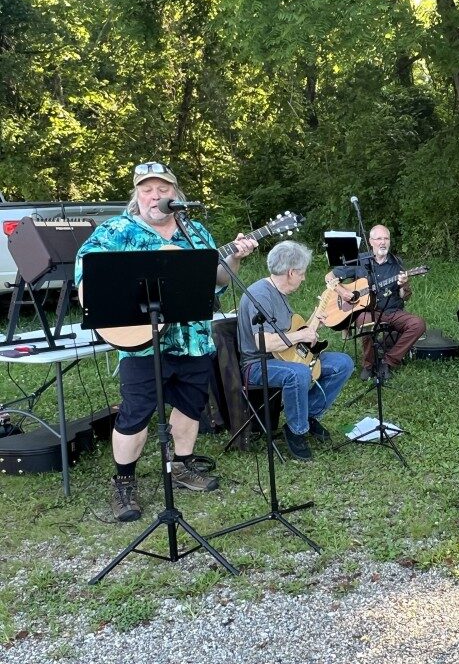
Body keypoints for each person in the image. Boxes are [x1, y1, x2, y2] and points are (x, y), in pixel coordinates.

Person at [75, 161, 259, 522]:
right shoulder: (116, 232)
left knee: (191, 406)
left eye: (162, 189)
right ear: (137, 195)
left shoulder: (194, 231)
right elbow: (87, 275)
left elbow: (217, 278)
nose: (155, 196)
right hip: (142, 343)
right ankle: (124, 483)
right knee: (136, 413)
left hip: (192, 340)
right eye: (147, 190)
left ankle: (183, 464)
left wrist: (235, 257)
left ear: (175, 194)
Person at [237, 240, 355, 462]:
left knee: (343, 363)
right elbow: (265, 344)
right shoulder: (261, 295)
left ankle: (308, 415)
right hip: (258, 364)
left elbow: (291, 336)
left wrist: (313, 324)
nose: (303, 278)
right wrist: (302, 336)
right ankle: (296, 430)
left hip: (286, 356)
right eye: (302, 273)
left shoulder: (280, 293)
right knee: (298, 373)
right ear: (291, 272)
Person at [351, 224, 426, 381]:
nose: (383, 242)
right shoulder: (360, 260)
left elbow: (405, 297)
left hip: (393, 311)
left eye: (386, 238)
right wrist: (342, 291)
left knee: (418, 324)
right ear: (371, 241)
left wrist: (404, 284)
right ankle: (368, 365)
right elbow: (333, 276)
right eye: (379, 238)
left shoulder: (396, 263)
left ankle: (388, 361)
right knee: (364, 321)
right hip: (368, 310)